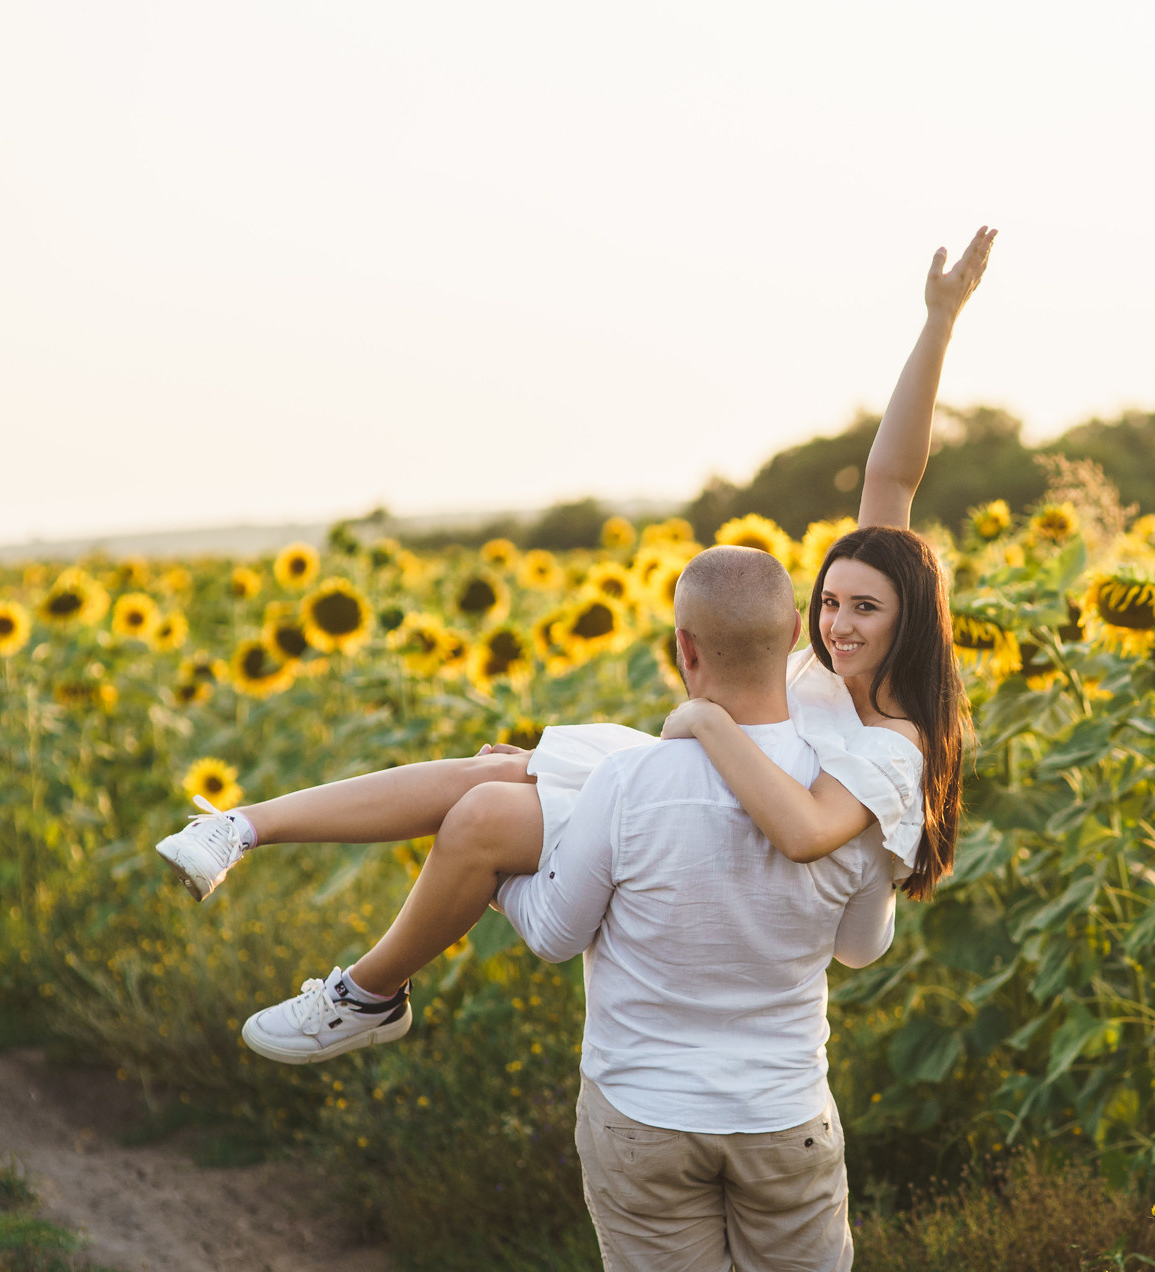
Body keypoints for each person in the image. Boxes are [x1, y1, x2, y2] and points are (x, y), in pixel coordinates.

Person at [153, 226, 994, 1063]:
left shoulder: (894, 740)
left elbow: (806, 831)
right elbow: (890, 476)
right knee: (484, 777)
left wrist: (704, 721)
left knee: (489, 816)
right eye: (830, 602)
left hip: (792, 857)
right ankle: (244, 829)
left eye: (864, 609)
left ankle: (367, 994)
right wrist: (939, 321)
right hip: (711, 787)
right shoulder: (840, 660)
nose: (837, 624)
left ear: (911, 617)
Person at [502, 542, 938, 1272]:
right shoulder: (849, 781)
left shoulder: (629, 778)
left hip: (645, 1109)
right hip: (783, 1110)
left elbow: (555, 934)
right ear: (797, 633)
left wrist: (502, 879)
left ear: (685, 648)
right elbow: (860, 949)